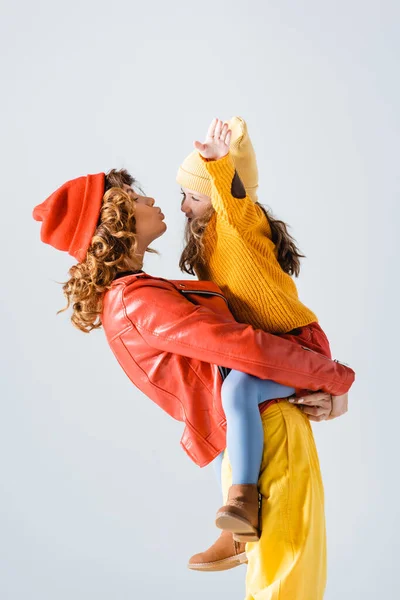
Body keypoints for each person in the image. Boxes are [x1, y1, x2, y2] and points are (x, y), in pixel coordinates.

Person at [33, 164, 354, 599]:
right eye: (135, 196)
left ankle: (237, 526)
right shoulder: (136, 301)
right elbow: (245, 348)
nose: (150, 200)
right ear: (114, 219)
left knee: (284, 578)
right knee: (289, 582)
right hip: (269, 435)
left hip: (254, 434)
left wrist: (319, 385)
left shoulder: (139, 292)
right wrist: (335, 379)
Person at [177, 116, 344, 548]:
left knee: (237, 395)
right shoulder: (208, 240)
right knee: (216, 408)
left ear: (217, 193)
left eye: (192, 196)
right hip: (256, 351)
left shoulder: (240, 225)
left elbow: (236, 203)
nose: (183, 207)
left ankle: (242, 500)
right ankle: (235, 526)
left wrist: (219, 165)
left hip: (293, 344)